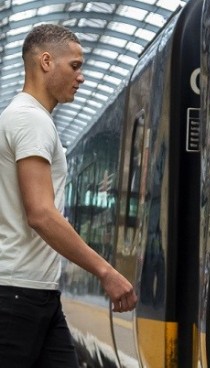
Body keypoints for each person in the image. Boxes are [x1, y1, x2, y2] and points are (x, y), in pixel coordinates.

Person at [0, 24, 137, 367]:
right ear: (46, 61)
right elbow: (41, 214)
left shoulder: (27, 118)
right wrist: (106, 271)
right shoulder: (31, 120)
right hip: (18, 294)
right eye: (75, 66)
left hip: (36, 292)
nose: (82, 77)